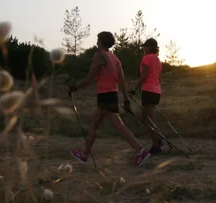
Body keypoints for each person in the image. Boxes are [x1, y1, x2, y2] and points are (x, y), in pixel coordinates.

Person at [66, 31, 151, 167]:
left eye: (97, 39)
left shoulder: (99, 56)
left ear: (101, 41)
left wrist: (74, 87)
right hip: (111, 94)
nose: (96, 42)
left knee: (118, 125)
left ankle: (141, 151)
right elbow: (122, 81)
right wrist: (126, 100)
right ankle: (84, 154)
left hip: (105, 96)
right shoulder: (115, 59)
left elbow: (89, 78)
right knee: (94, 124)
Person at [129, 38, 163, 155]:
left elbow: (144, 77)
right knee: (149, 118)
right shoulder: (158, 60)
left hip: (148, 90)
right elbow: (158, 77)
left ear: (150, 47)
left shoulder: (146, 58)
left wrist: (134, 89)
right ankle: (157, 140)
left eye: (145, 46)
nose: (144, 48)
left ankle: (156, 144)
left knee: (147, 119)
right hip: (156, 90)